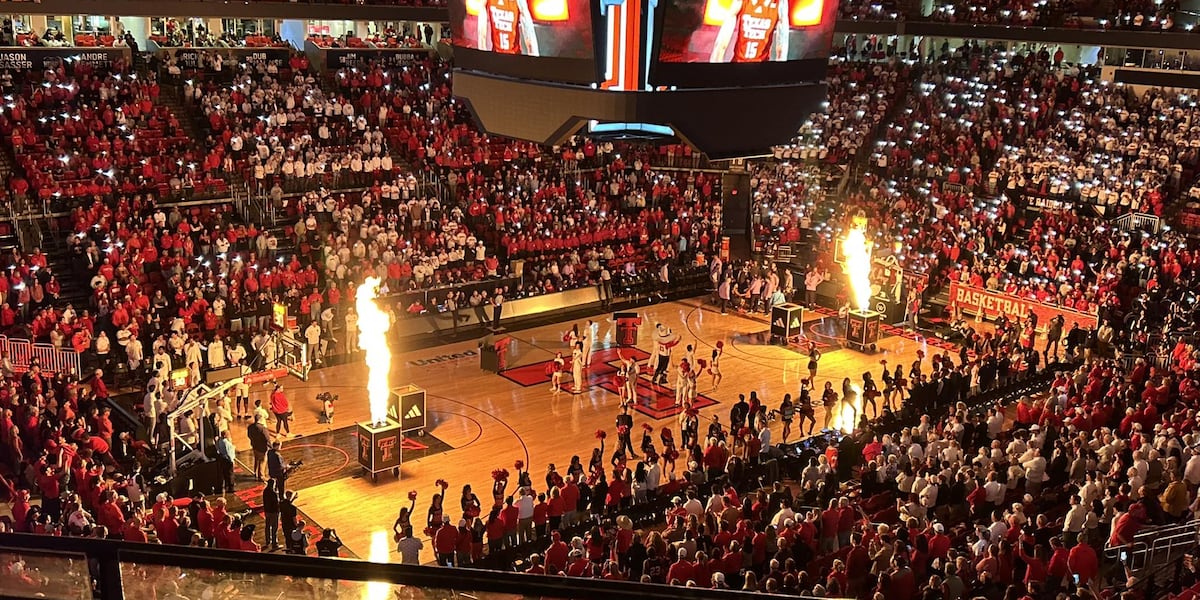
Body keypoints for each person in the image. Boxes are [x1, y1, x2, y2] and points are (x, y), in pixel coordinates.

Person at [247, 415, 270, 481]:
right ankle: (261, 476)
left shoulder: (250, 427)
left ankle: (255, 472)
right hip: (262, 447)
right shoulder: (262, 428)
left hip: (254, 445)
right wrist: (270, 446)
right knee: (262, 461)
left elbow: (249, 435)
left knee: (256, 459)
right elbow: (267, 438)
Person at [263, 480, 281, 550]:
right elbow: (276, 504)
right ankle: (274, 544)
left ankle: (267, 541)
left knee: (267, 527)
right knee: (274, 528)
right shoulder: (274, 493)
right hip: (274, 512)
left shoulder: (265, 491)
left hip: (267, 511)